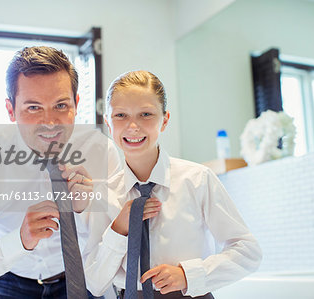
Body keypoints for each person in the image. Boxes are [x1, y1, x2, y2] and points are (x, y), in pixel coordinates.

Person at [0, 46, 121, 298]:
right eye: (33, 108)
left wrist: (88, 210)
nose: (50, 122)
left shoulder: (101, 151)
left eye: (61, 105)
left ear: (77, 103)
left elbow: (116, 243)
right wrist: (21, 239)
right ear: (10, 110)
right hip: (3, 277)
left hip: (79, 275)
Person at [83, 70, 262, 298]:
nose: (133, 126)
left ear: (164, 120)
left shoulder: (197, 180)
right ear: (108, 123)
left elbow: (248, 251)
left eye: (146, 114)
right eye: (121, 116)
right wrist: (119, 229)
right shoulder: (105, 194)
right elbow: (95, 283)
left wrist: (189, 276)